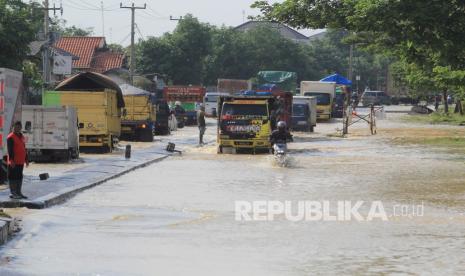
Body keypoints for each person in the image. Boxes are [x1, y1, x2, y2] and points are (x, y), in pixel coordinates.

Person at [7, 121, 29, 199]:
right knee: (12, 177)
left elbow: (24, 148)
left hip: (21, 161)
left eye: (19, 127)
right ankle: (13, 193)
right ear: (13, 127)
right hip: (13, 162)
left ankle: (19, 192)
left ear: (21, 128)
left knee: (19, 176)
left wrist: (26, 159)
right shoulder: (10, 137)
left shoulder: (22, 136)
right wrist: (11, 160)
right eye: (16, 127)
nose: (17, 128)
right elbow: (10, 150)